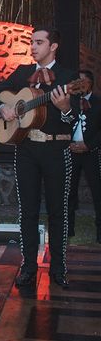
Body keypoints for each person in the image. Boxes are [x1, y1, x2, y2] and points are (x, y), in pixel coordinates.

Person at [0, 26, 77, 290]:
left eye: (39, 42)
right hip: (26, 149)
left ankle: (59, 269)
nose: (33, 46)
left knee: (57, 212)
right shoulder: (22, 74)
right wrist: (2, 107)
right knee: (26, 211)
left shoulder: (68, 77)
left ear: (53, 46)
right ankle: (28, 266)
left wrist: (65, 108)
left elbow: (73, 121)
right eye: (32, 42)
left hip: (56, 150)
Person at [68, 70, 101, 243]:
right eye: (77, 80)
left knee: (98, 192)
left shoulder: (98, 102)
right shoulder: (70, 102)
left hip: (91, 153)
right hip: (72, 152)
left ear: (90, 83)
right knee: (69, 192)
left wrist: (89, 145)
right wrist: (69, 143)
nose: (79, 84)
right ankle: (68, 229)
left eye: (82, 81)